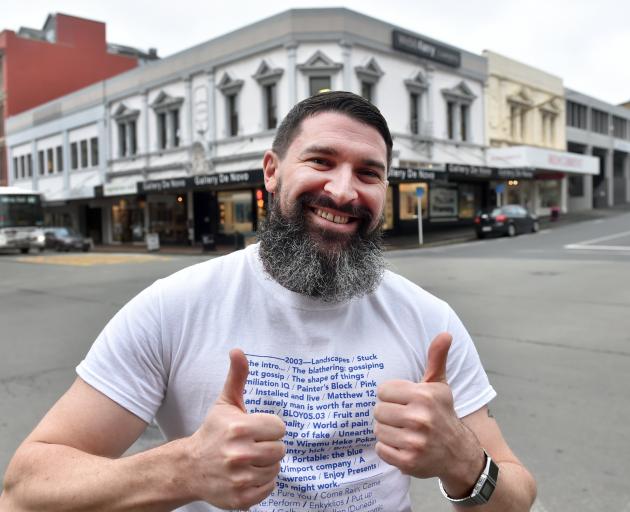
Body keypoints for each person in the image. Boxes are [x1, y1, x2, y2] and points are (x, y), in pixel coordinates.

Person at [1, 91, 536, 511]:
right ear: (272, 171)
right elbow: (25, 490)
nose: (345, 191)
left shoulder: (428, 320)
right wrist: (183, 469)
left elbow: (516, 497)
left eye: (368, 173)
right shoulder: (173, 307)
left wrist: (463, 460)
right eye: (321, 160)